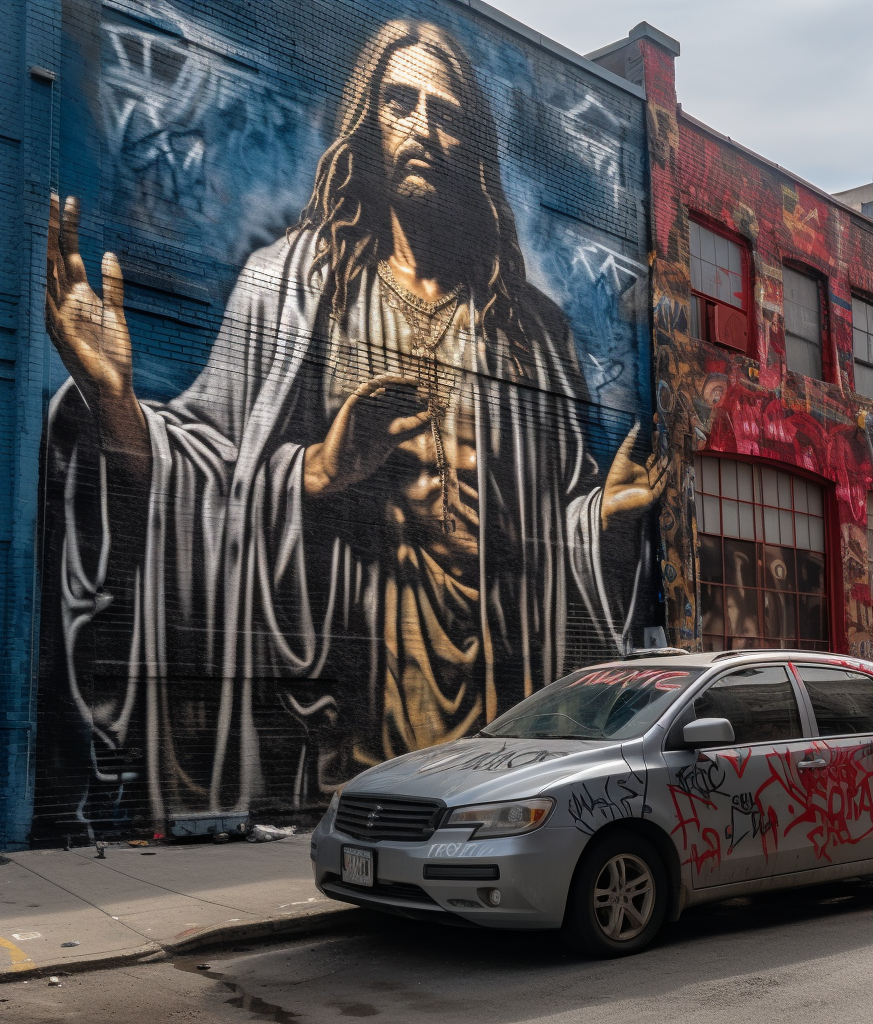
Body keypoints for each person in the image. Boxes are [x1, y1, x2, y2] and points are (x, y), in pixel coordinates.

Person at [43, 19, 666, 823]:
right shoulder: (288, 288)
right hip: (336, 710)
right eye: (399, 102)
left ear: (472, 144)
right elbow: (196, 476)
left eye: (446, 114)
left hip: (499, 711)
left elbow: (556, 538)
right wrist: (129, 406)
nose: (422, 128)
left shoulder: (531, 332)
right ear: (365, 120)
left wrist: (603, 523)